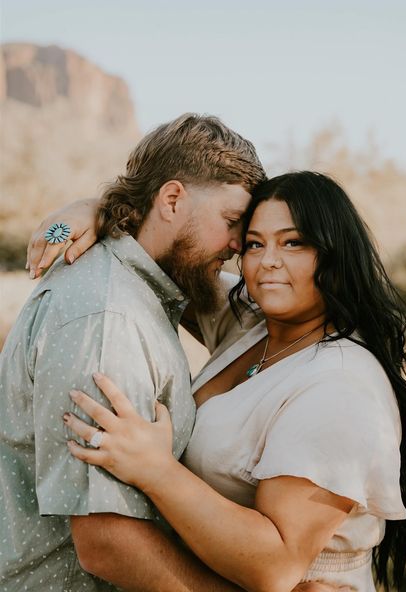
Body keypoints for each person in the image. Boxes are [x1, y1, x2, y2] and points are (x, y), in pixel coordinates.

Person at [27, 172, 406, 591]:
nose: (268, 261)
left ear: (334, 254)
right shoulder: (256, 323)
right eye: (255, 243)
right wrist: (95, 211)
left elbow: (276, 565)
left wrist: (157, 470)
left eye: (293, 242)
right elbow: (166, 256)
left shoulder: (341, 386)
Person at [0, 113, 272, 591]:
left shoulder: (152, 290)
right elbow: (106, 540)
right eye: (232, 222)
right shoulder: (110, 320)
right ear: (171, 199)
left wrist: (101, 206)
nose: (236, 246)